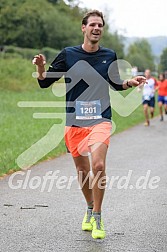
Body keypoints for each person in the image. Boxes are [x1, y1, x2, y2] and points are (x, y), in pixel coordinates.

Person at [32, 10, 146, 239]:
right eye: (92, 24)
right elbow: (45, 83)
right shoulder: (68, 54)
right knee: (83, 171)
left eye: (100, 25)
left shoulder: (109, 55)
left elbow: (115, 82)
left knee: (99, 166)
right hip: (74, 122)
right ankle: (89, 207)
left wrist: (129, 82)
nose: (97, 28)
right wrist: (41, 68)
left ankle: (98, 217)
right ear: (83, 28)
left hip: (100, 119)